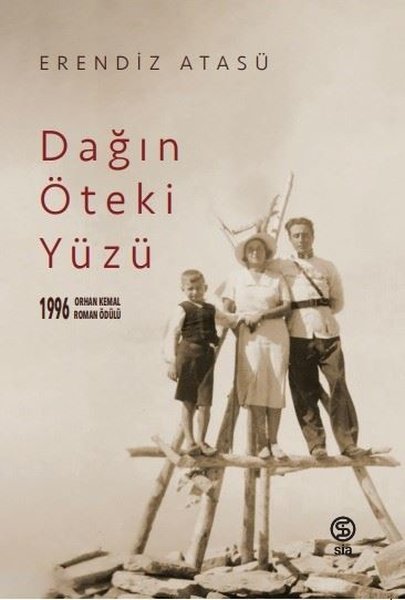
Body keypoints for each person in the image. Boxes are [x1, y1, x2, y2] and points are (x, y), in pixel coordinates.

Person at [280, 217, 368, 459]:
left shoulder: (327, 266)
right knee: (303, 389)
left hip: (327, 332)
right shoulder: (281, 266)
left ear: (313, 237)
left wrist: (321, 313)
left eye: (306, 234)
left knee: (338, 383)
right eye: (296, 235)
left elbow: (337, 302)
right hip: (297, 333)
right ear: (290, 239)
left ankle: (348, 443)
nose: (302, 239)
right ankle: (316, 444)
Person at [222, 233, 291, 459]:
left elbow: (287, 306)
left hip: (276, 335)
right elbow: (226, 310)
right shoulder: (236, 277)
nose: (255, 252)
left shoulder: (276, 277)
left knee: (275, 385)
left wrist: (262, 314)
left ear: (266, 253)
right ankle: (262, 442)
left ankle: (274, 441)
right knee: (255, 385)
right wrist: (239, 328)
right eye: (251, 249)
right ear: (245, 254)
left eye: (260, 249)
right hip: (249, 337)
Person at [164, 269, 234, 457]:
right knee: (188, 401)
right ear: (183, 289)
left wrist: (243, 316)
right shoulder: (183, 308)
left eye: (198, 288)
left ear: (205, 288)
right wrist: (171, 362)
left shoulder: (211, 309)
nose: (194, 292)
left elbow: (227, 320)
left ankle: (202, 440)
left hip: (206, 356)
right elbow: (172, 334)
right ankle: (190, 442)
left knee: (205, 403)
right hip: (187, 355)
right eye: (190, 289)